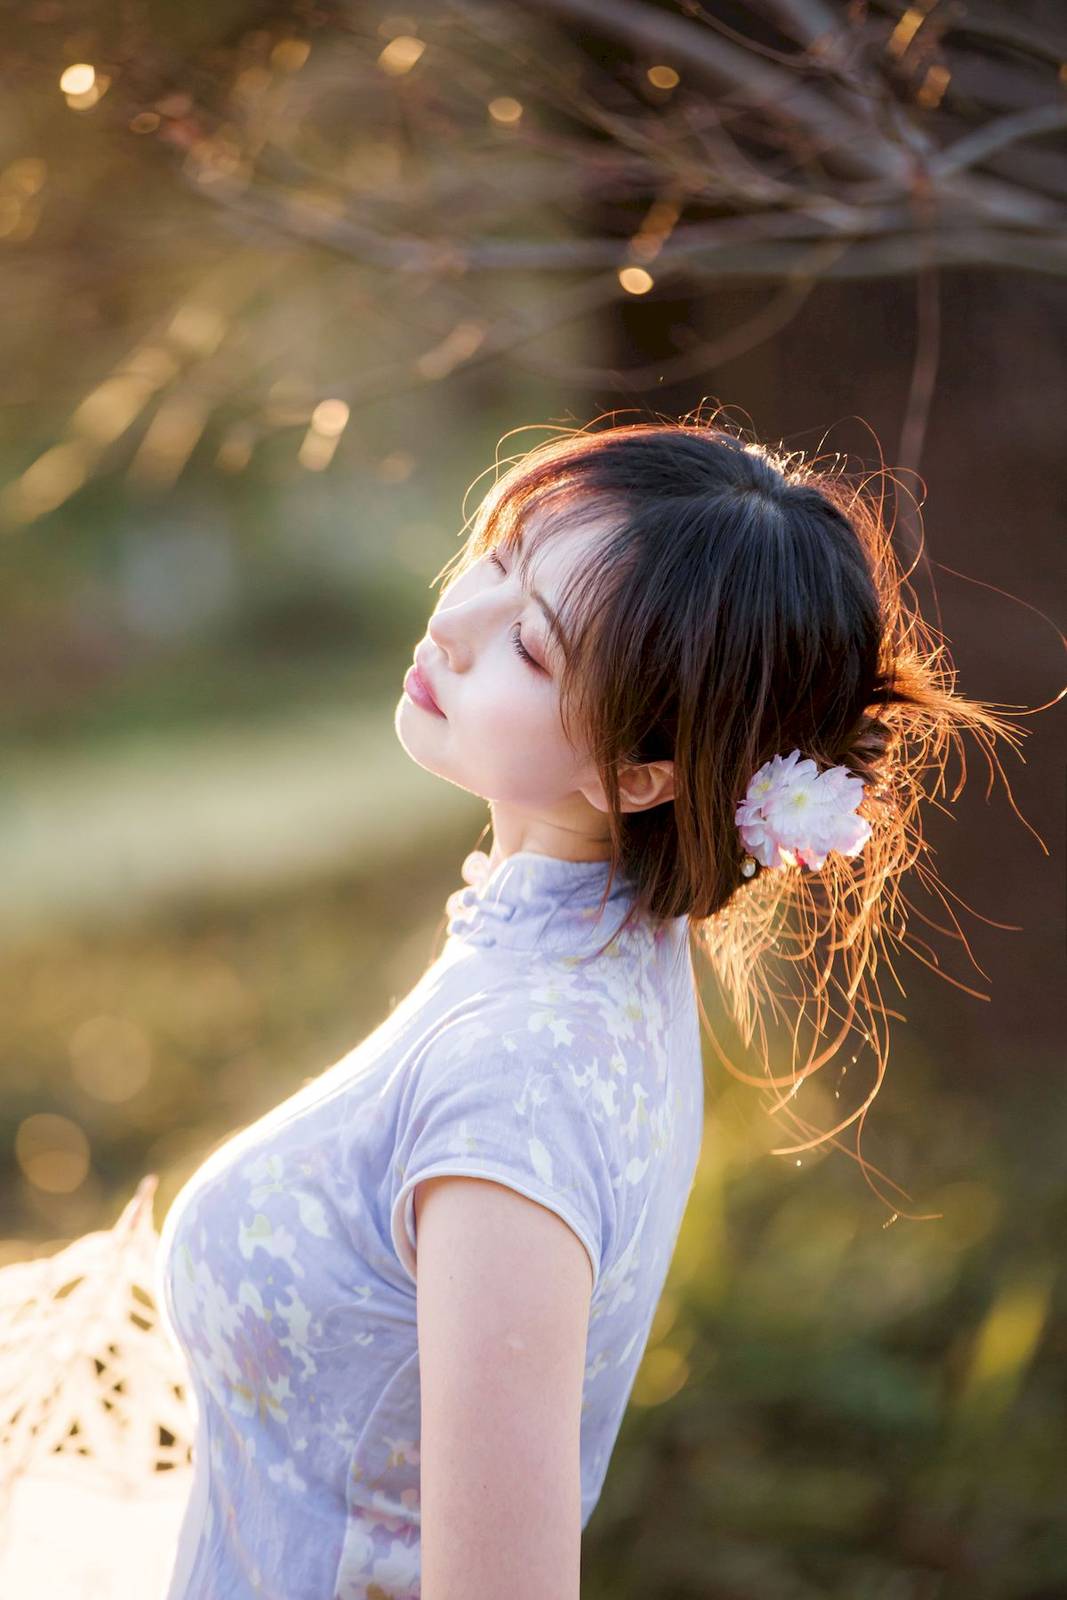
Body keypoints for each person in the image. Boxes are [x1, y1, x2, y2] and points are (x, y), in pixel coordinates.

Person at [154, 416, 1018, 1599]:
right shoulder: (589, 955)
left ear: (641, 772)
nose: (451, 625)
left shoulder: (523, 1071)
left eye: (531, 647)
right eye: (499, 557)